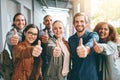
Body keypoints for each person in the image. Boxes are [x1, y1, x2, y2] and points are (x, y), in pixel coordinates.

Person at [68, 12, 99, 80]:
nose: (79, 24)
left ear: (86, 23)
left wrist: (86, 49)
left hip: (90, 76)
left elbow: (92, 41)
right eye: (77, 21)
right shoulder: (70, 39)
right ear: (74, 24)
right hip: (75, 76)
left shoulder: (93, 35)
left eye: (82, 21)